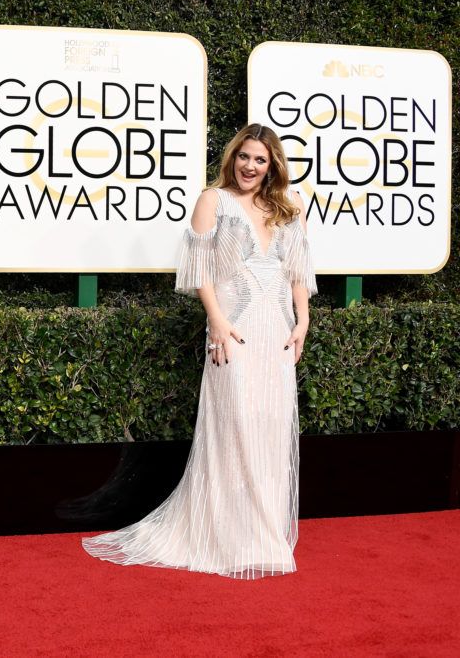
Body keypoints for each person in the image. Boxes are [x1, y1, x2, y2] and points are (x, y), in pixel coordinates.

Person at [83, 123, 316, 579]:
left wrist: (303, 320)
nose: (250, 166)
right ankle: (226, 535)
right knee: (234, 427)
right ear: (233, 157)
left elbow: (297, 272)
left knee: (272, 427)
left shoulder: (289, 208)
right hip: (233, 328)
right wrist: (216, 320)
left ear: (272, 166)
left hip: (278, 333)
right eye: (245, 157)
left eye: (260, 160)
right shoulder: (213, 200)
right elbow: (200, 270)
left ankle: (263, 534)